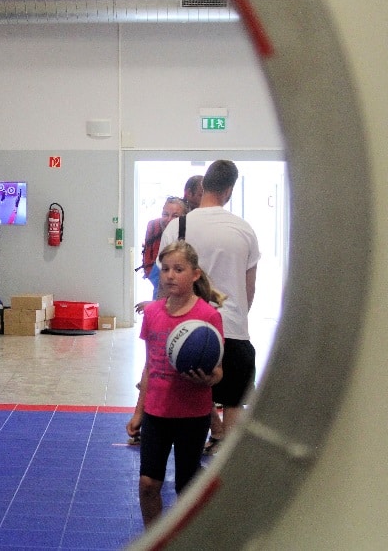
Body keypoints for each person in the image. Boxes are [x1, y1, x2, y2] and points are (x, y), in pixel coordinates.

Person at [159, 160, 260, 455]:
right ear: (229, 190)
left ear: (203, 186)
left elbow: (166, 282)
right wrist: (237, 317)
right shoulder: (244, 230)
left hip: (187, 328)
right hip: (233, 328)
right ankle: (227, 452)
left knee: (193, 390)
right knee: (234, 400)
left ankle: (204, 444)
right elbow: (249, 288)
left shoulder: (178, 227)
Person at [126, 240, 224, 527]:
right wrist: (138, 412)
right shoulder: (153, 313)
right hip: (157, 413)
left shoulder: (208, 316)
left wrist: (208, 378)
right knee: (147, 484)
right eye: (166, 269)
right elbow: (149, 367)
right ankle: (155, 539)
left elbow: (218, 372)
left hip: (192, 415)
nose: (170, 275)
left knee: (186, 487)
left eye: (178, 269)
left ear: (195, 274)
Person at [139, 196, 188, 298]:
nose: (169, 219)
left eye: (175, 216)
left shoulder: (188, 243)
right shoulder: (158, 236)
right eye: (165, 214)